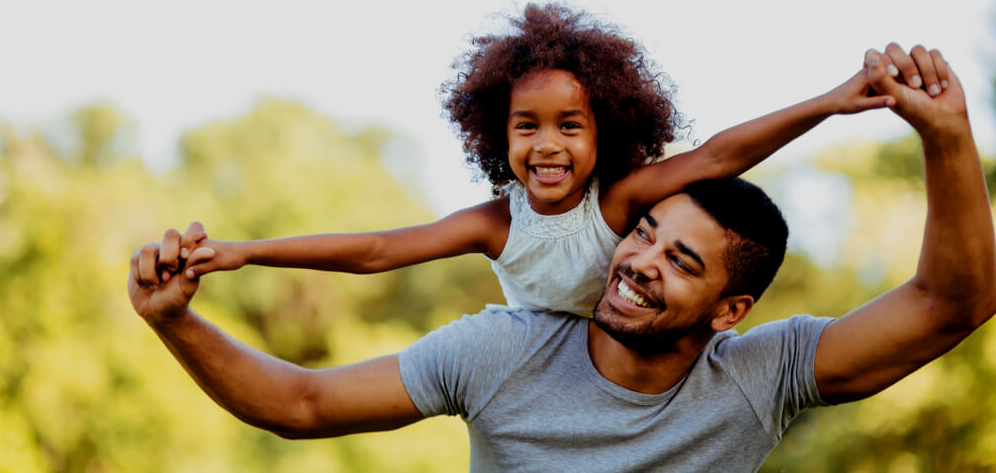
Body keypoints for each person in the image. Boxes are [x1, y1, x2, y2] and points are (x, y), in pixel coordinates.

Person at [129, 45, 993, 472]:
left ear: (732, 311)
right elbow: (302, 401)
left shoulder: (761, 375)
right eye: (644, 233)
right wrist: (179, 320)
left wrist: (947, 137)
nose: (641, 258)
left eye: (683, 262)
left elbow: (950, 305)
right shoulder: (502, 349)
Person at [164, 4, 896, 317]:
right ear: (498, 134)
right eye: (526, 127)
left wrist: (828, 102)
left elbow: (720, 154)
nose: (547, 145)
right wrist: (246, 252)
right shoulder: (495, 224)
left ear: (604, 132)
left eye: (570, 126)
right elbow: (379, 249)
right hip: (536, 372)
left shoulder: (617, 204)